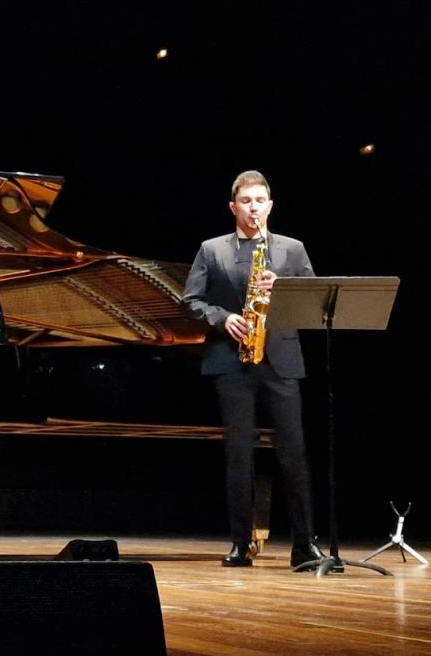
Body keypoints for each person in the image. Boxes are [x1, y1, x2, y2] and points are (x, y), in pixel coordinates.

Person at [182, 170, 324, 569]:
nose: (253, 208)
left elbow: (313, 301)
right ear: (233, 207)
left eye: (260, 201)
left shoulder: (292, 250)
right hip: (232, 361)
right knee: (238, 456)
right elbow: (191, 300)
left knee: (294, 454)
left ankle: (303, 545)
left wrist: (281, 289)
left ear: (270, 205)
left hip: (280, 360)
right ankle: (240, 543)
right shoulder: (212, 249)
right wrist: (223, 317)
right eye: (246, 202)